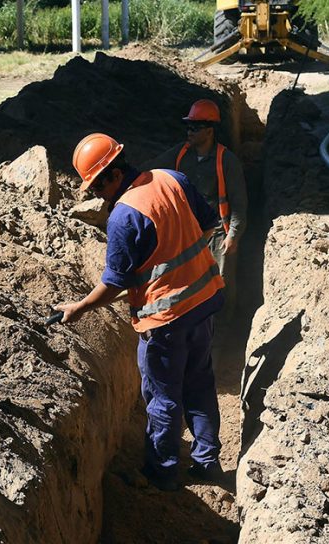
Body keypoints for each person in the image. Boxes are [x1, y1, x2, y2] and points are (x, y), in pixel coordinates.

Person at [55, 133, 225, 491]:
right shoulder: (170, 177)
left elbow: (114, 283)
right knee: (199, 382)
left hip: (165, 321)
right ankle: (207, 462)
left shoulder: (123, 217)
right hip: (204, 302)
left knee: (163, 398)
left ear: (114, 175)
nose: (98, 196)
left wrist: (81, 307)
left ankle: (162, 474)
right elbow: (209, 224)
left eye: (98, 187)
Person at [147, 99, 247, 311]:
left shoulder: (226, 161)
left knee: (220, 282)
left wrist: (233, 236)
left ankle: (224, 331)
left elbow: (240, 203)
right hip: (187, 231)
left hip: (219, 232)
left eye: (195, 127)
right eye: (188, 126)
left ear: (209, 131)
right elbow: (149, 171)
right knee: (187, 283)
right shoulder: (180, 154)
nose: (189, 131)